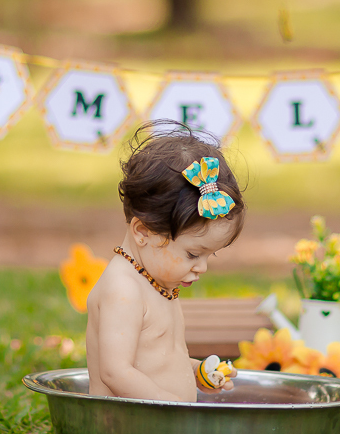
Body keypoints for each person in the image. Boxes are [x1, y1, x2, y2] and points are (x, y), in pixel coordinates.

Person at [86, 123, 245, 401]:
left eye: (210, 255)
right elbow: (115, 372)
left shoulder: (156, 280)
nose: (202, 267)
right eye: (193, 254)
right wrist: (174, 408)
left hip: (163, 423)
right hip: (126, 423)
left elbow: (161, 360)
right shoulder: (123, 289)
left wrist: (197, 372)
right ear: (143, 232)